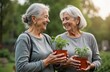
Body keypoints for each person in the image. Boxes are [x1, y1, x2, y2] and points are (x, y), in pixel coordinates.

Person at [15, 3, 67, 72]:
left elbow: (53, 65)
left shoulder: (47, 38)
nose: (48, 20)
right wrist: (46, 61)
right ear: (34, 19)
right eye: (45, 17)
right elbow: (21, 68)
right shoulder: (24, 38)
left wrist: (57, 62)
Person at [55, 5, 101, 72]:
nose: (64, 22)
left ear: (77, 20)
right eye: (63, 19)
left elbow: (98, 61)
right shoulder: (59, 39)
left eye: (67, 19)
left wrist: (91, 66)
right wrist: (66, 64)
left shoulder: (90, 37)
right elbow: (54, 65)